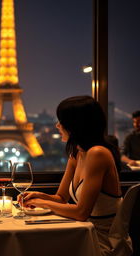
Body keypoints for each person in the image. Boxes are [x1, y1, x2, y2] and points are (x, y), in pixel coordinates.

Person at [21, 96, 124, 255]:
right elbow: (61, 198)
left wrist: (42, 203)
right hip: (83, 235)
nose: (57, 125)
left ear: (76, 125)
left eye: (61, 121)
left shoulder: (98, 154)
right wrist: (39, 195)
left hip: (102, 243)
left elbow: (81, 213)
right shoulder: (77, 154)